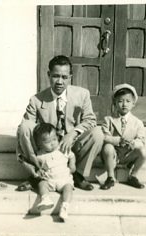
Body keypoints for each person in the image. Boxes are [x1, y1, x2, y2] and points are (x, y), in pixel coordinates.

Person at [16, 55, 104, 191]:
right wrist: (24, 158)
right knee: (25, 126)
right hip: (48, 147)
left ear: (70, 77)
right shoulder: (36, 100)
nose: (59, 82)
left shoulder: (82, 94)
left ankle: (77, 174)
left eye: (64, 77)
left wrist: (73, 133)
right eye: (55, 76)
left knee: (97, 133)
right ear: (48, 75)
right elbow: (24, 131)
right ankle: (37, 175)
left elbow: (90, 120)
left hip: (73, 145)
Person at [101, 83, 146, 190]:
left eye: (128, 101)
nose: (124, 104)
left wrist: (134, 143)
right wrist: (118, 140)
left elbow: (141, 140)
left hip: (128, 155)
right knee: (107, 147)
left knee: (144, 151)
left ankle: (133, 176)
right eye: (120, 101)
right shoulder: (108, 120)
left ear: (133, 104)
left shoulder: (138, 122)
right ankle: (110, 177)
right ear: (114, 103)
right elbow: (104, 136)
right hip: (113, 155)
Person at [32, 123, 75, 221]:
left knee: (68, 188)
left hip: (64, 180)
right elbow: (36, 167)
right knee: (42, 184)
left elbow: (72, 156)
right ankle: (45, 198)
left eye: (54, 139)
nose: (52, 143)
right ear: (39, 144)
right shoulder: (39, 155)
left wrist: (72, 165)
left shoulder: (62, 149)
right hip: (49, 181)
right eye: (47, 142)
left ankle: (65, 206)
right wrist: (39, 171)